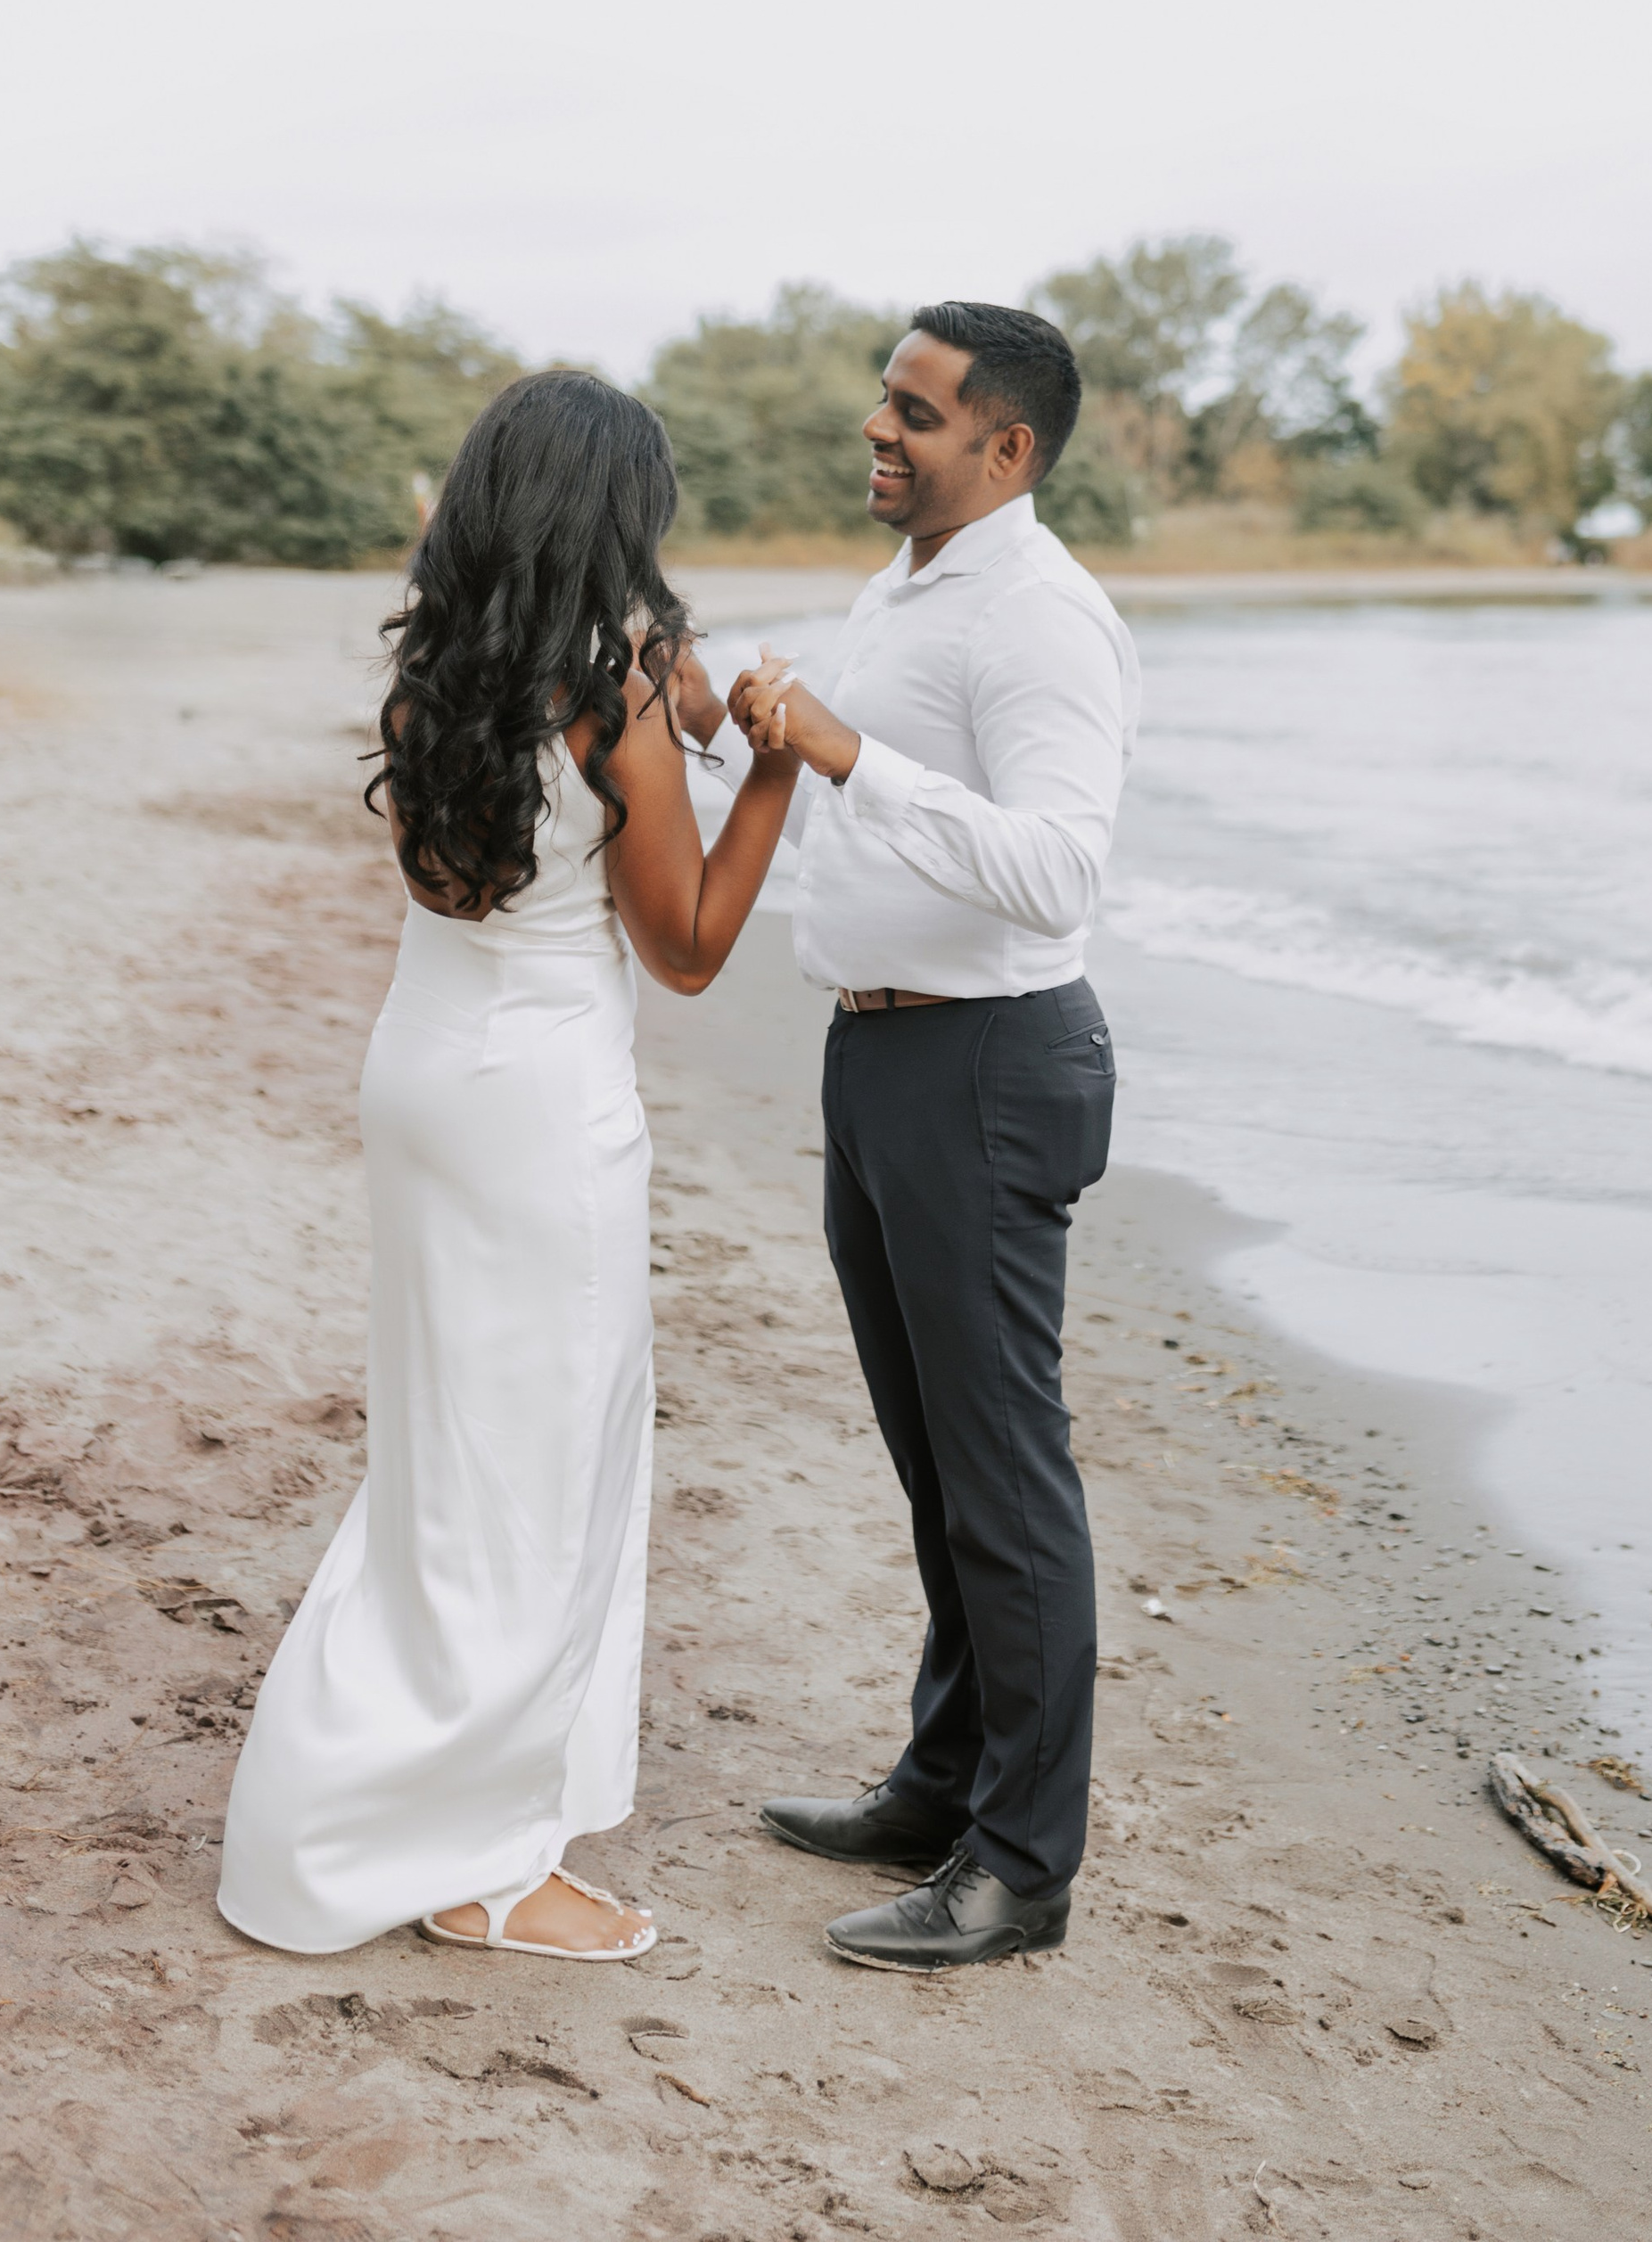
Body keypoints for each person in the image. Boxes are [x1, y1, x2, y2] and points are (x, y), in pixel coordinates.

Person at [217, 371, 798, 1962]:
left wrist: (661, 700)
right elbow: (683, 951)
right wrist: (776, 773)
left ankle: (403, 1801)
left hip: (423, 1074)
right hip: (542, 1110)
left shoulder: (441, 684)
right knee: (543, 1473)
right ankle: (484, 1861)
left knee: (442, 1463)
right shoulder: (601, 704)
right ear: (616, 522)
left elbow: (510, 873)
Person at [719, 300, 1140, 1972]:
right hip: (880, 1058)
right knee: (934, 1465)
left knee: (1005, 1478)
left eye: (916, 412)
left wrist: (848, 750)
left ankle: (1022, 1869)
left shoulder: (1042, 618)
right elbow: (871, 784)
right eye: (883, 402)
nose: (878, 431)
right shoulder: (908, 586)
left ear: (1008, 446)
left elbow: (1057, 870)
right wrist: (767, 722)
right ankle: (943, 1781)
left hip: (988, 1067)